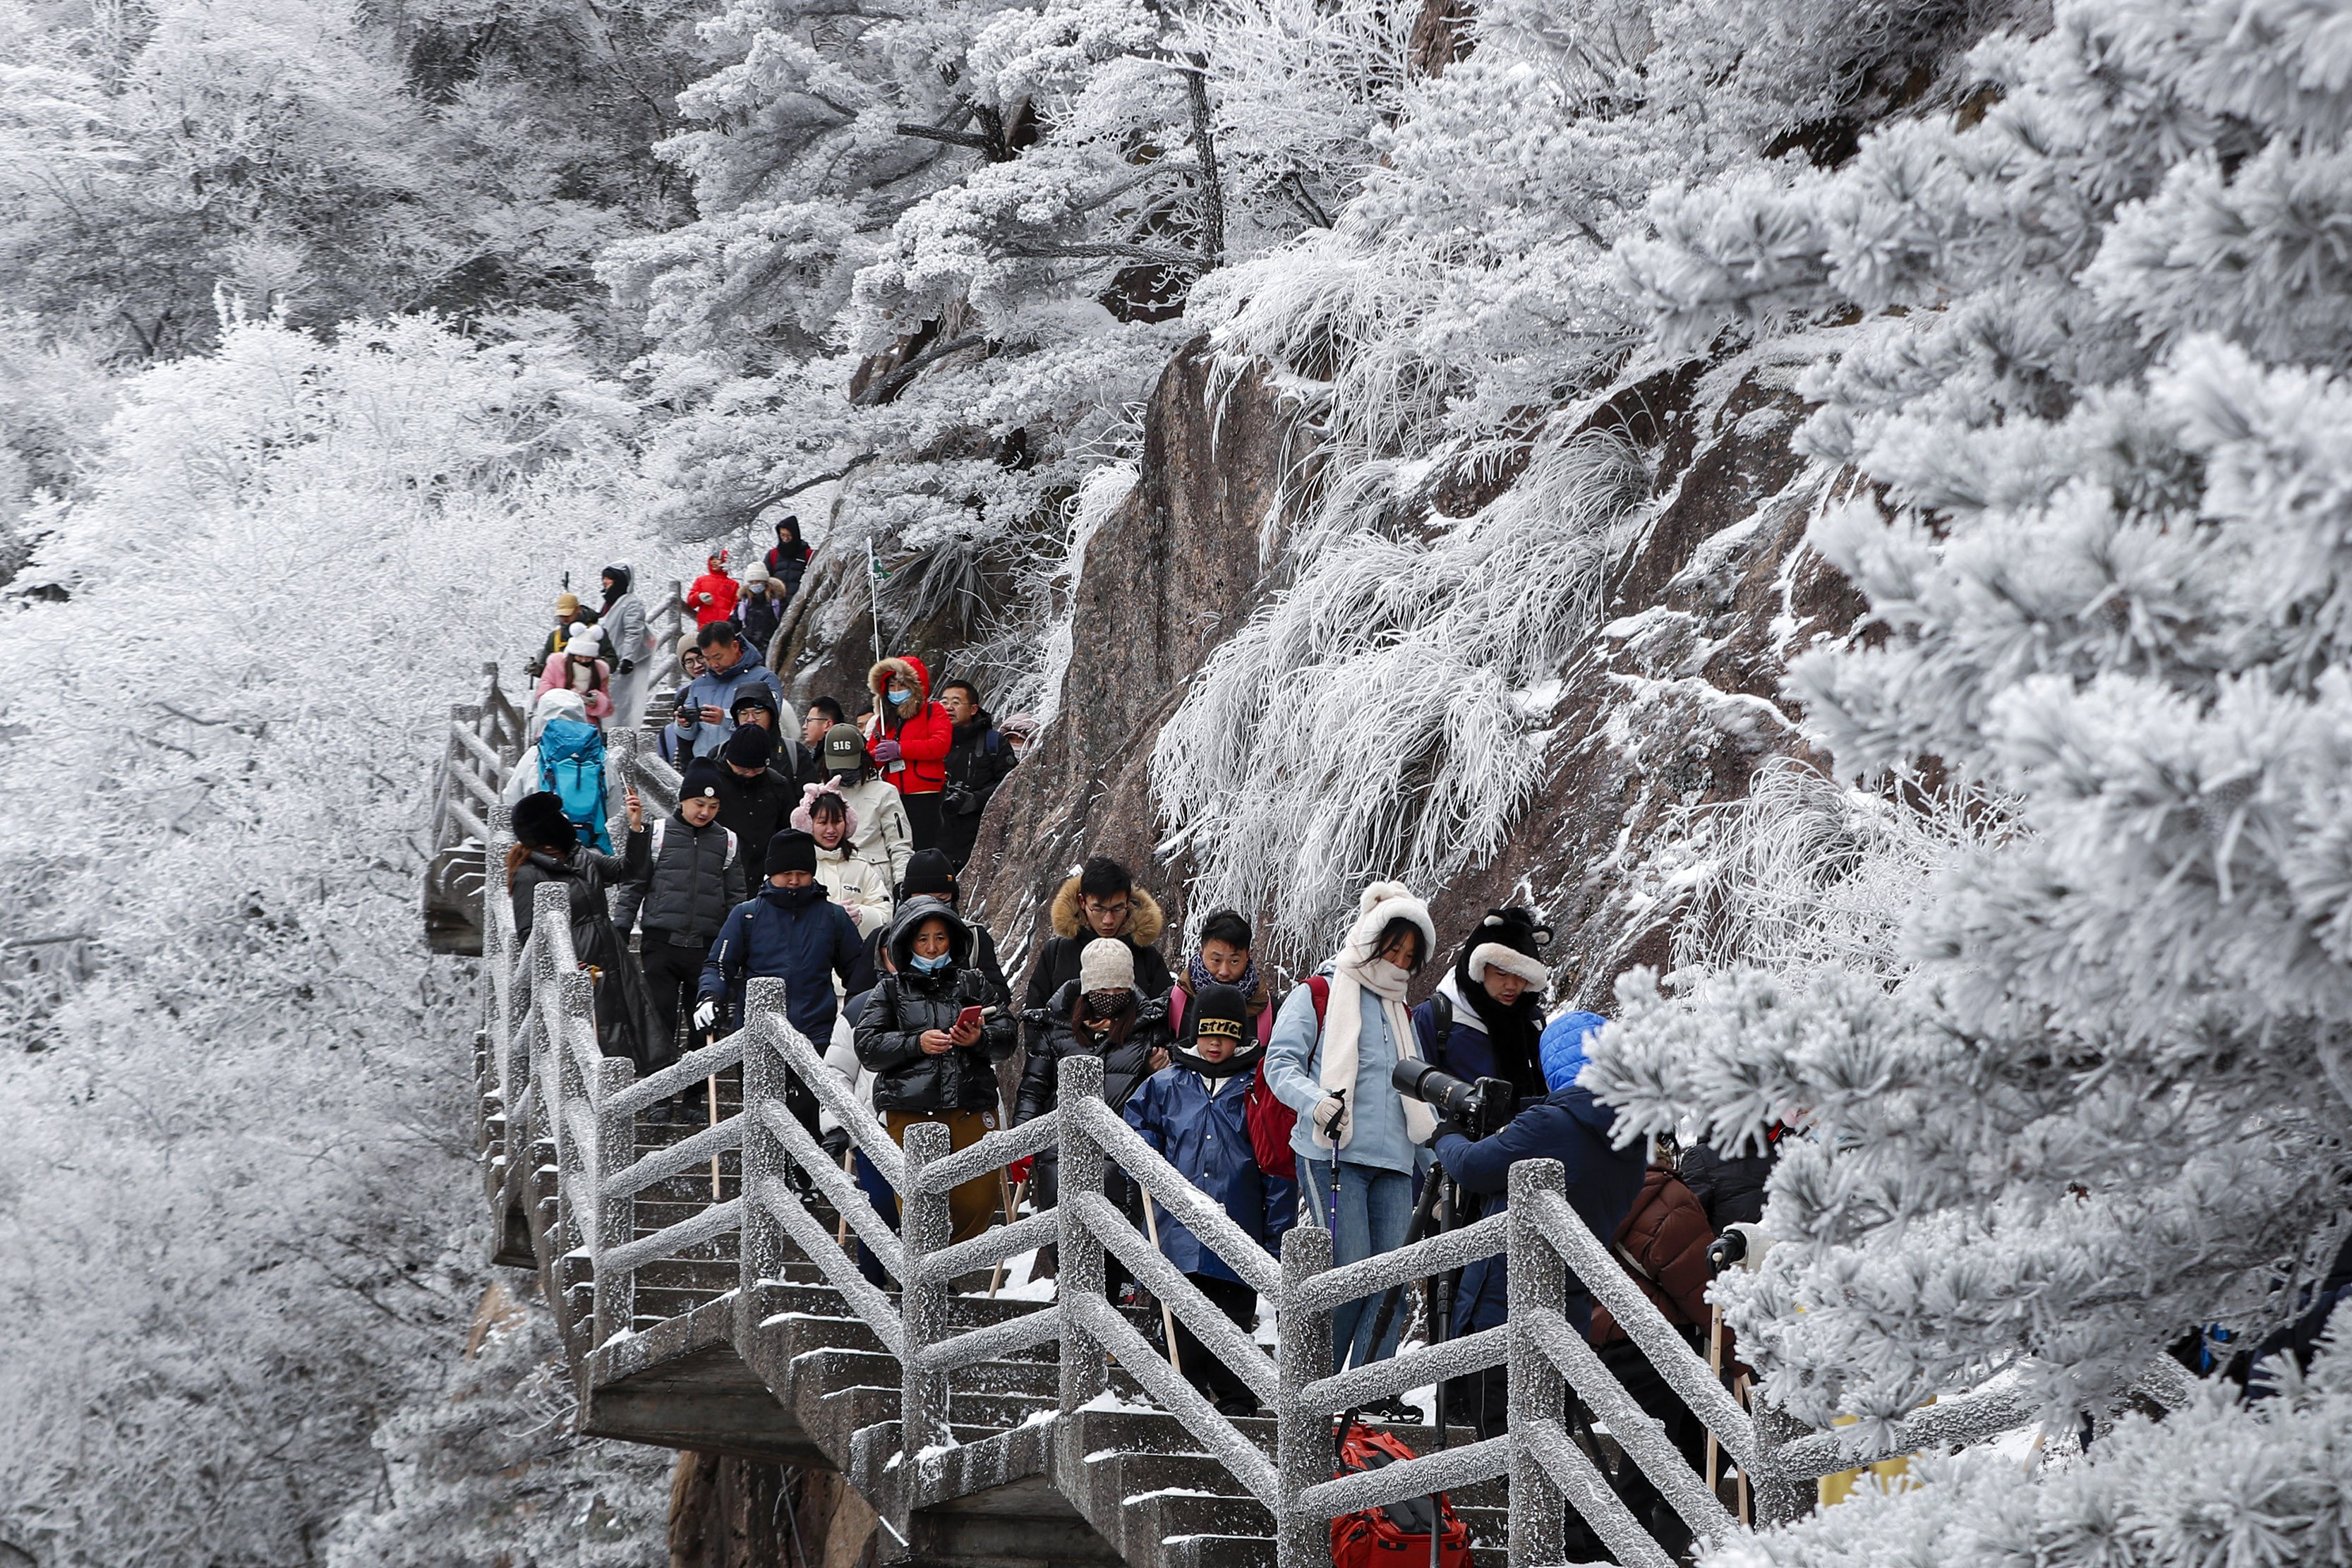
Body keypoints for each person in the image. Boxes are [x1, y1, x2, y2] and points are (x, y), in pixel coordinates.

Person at [1428, 1028, 1659, 1542]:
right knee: (1544, 1428)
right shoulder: (1629, 1138)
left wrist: (1444, 1134)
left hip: (1503, 1298)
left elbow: (1472, 1167)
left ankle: (1569, 1539)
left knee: (1508, 1433)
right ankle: (1577, 1532)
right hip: (1567, 1304)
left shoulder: (1552, 1123)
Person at [1265, 881, 1438, 1393]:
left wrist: (1437, 1163)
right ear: (1369, 939)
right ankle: (1310, 1392)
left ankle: (1365, 1395)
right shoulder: (1319, 992)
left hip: (1394, 1163)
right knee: (1349, 1278)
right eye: (1393, 949)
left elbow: (1415, 1096)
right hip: (1331, 1153)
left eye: (1410, 956)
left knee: (1391, 1286)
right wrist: (1317, 1102)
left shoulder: (1401, 1012)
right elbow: (1279, 1064)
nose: (1400, 962)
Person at [1123, 981, 1294, 1416]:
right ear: (1193, 1030)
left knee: (1233, 1325)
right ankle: (1183, 1403)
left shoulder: (1257, 1088)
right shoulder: (1166, 1084)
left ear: (1241, 1035)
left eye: (1226, 1034)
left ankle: (1237, 1405)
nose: (1215, 1043)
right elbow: (1135, 1129)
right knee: (1179, 1322)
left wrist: (1275, 1238)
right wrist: (1148, 1154)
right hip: (1175, 1231)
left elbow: (1276, 1165)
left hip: (1239, 1228)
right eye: (1207, 1032)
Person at [854, 901, 1018, 1245]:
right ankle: (927, 1274)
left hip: (971, 1102)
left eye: (941, 938)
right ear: (907, 943)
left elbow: (1008, 1035)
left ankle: (936, 1266)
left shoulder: (975, 982)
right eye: (923, 939)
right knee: (918, 1201)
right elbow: (867, 1045)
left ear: (953, 940)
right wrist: (917, 1043)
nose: (932, 948)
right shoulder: (890, 990)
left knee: (980, 1198)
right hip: (910, 1107)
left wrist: (978, 1038)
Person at [1015, 938, 1174, 1292]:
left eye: (1120, 986)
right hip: (1060, 1152)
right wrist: (1022, 1140)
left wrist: (1155, 1070)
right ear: (1088, 987)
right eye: (1103, 987)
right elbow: (1033, 1087)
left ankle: (1115, 1305)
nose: (1112, 994)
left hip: (1122, 1150)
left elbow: (1166, 1092)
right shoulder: (1056, 1027)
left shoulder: (1147, 1027)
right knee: (1065, 1236)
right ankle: (1071, 1313)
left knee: (1116, 1241)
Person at [696, 829, 864, 1148]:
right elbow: (719, 964)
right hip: (757, 1037)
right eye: (786, 874)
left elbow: (858, 973)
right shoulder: (746, 915)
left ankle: (805, 1184)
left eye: (801, 874)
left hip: (815, 1035)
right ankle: (765, 1180)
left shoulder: (833, 917)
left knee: (808, 1117)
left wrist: (860, 1010)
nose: (793, 881)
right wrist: (709, 995)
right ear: (771, 873)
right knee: (762, 1117)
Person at [627, 759, 749, 1120]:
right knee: (661, 1021)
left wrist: (738, 942)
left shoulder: (727, 842)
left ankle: (695, 1096)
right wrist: (620, 926)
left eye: (713, 807)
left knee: (702, 1023)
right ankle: (659, 1094)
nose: (705, 812)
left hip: (706, 948)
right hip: (661, 943)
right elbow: (636, 883)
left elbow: (736, 896)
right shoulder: (658, 834)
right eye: (699, 804)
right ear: (683, 800)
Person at [509, 789, 651, 1071]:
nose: (566, 820)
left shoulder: (581, 856)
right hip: (577, 963)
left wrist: (636, 826)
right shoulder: (528, 874)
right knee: (589, 1033)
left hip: (610, 950)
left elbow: (629, 871)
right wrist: (569, 963)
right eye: (559, 815)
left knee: (625, 1021)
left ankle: (622, 1086)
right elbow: (528, 934)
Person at [1021, 856, 1173, 1059]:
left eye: (1118, 909)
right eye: (1099, 909)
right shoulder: (1056, 953)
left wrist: (1155, 1058)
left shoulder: (1147, 956)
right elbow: (1036, 1020)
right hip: (1066, 1071)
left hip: (1132, 1077)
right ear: (1082, 902)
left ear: (1129, 902)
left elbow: (1162, 1021)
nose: (1108, 920)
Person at [1414, 907, 1551, 1100]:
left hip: (1528, 1129)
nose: (1512, 986)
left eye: (1522, 977)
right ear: (1479, 969)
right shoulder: (1432, 1019)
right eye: (1501, 974)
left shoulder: (1532, 1021)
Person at [863, 654, 954, 852]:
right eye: (892, 686)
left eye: (902, 685)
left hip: (925, 793)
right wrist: (874, 757)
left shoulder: (933, 710)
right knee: (897, 845)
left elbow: (940, 745)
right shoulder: (884, 720)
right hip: (892, 793)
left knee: (923, 846)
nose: (896, 691)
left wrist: (901, 749)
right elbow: (871, 752)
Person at [898, 849, 1010, 1006]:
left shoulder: (973, 936)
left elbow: (1001, 997)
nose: (933, 909)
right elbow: (863, 1007)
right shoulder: (887, 939)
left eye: (942, 900)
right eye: (924, 901)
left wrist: (974, 986)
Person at [506, 688, 613, 851]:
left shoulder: (536, 754)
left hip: (544, 849)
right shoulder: (599, 754)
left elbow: (512, 798)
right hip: (592, 849)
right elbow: (615, 803)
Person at [793, 783, 893, 945]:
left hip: (853, 964)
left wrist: (861, 916)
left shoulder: (860, 866)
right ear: (807, 823)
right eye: (823, 823)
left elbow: (886, 914)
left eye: (837, 821)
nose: (831, 830)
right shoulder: (791, 865)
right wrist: (824, 917)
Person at [819, 723, 914, 890]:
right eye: (837, 765)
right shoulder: (819, 794)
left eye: (849, 764)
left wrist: (902, 884)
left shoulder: (885, 793)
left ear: (862, 758)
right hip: (828, 881)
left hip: (874, 882)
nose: (843, 771)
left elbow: (900, 845)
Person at [937, 678, 1018, 872]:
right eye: (944, 702)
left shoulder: (993, 742)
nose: (948, 708)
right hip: (937, 837)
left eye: (956, 702)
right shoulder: (931, 743)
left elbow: (1012, 783)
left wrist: (975, 800)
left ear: (973, 709)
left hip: (979, 838)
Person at [682, 621, 790, 759]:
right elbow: (688, 735)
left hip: (749, 764)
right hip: (706, 763)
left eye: (718, 657)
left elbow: (769, 721)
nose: (713, 664)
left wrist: (725, 718)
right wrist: (684, 724)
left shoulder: (763, 678)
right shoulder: (698, 684)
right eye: (707, 659)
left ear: (734, 646)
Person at [1169, 908, 1275, 1049]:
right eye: (1216, 960)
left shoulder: (1267, 1008)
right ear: (1201, 952)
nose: (1224, 971)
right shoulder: (1174, 1001)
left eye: (1234, 961)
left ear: (1248, 955)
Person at [714, 725, 797, 874]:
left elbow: (789, 831)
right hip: (720, 872)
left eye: (758, 769)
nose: (751, 774)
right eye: (744, 769)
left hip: (765, 874)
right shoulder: (713, 781)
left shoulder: (778, 785)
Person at [598, 563, 653, 728]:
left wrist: (628, 659)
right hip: (605, 662)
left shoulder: (631, 603)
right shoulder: (609, 602)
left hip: (620, 662)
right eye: (604, 578)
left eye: (610, 578)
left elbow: (634, 632)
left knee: (619, 703)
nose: (605, 582)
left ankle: (619, 735)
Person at [535, 628, 613, 725]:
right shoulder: (555, 666)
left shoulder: (599, 672)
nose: (584, 660)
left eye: (588, 657)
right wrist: (572, 699)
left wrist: (596, 703)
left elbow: (608, 709)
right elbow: (543, 697)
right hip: (557, 724)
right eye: (580, 656)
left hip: (586, 727)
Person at [528, 590, 599, 678]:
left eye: (568, 613)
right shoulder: (554, 637)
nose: (564, 617)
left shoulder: (595, 632)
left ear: (578, 609)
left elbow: (612, 661)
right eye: (562, 614)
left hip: (590, 686)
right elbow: (546, 669)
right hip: (562, 689)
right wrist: (537, 669)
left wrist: (597, 662)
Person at [737, 560, 785, 661]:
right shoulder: (744, 602)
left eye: (758, 581)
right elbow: (735, 622)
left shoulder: (776, 601)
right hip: (749, 647)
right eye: (751, 582)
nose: (755, 585)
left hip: (770, 646)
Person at [765, 515, 812, 603]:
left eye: (789, 535)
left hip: (800, 601)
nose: (785, 538)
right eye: (783, 535)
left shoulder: (807, 554)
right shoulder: (773, 554)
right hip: (777, 602)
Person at [689, 550, 739, 627]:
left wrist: (730, 620)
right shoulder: (701, 580)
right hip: (705, 625)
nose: (714, 562)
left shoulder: (733, 584)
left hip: (725, 625)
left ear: (725, 562)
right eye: (712, 559)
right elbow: (691, 602)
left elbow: (735, 605)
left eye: (718, 559)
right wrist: (699, 597)